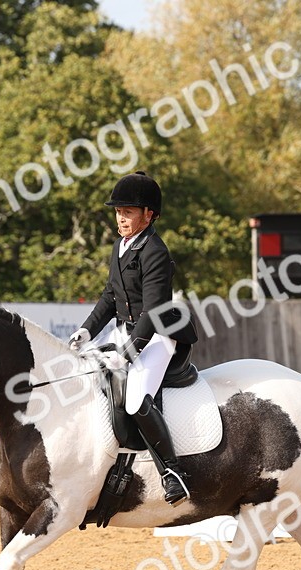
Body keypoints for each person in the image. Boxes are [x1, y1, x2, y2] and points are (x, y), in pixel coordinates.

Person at [68, 171, 198, 505]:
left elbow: (153, 311)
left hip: (157, 336)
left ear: (149, 214)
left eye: (128, 211)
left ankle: (174, 472)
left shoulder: (155, 251)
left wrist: (128, 351)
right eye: (118, 211)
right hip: (127, 330)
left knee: (137, 399)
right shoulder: (120, 246)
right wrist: (86, 330)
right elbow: (110, 297)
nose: (121, 218)